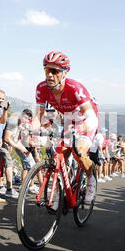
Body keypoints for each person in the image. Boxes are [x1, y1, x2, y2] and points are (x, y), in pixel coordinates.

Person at [33, 51, 99, 205]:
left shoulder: (74, 87)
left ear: (64, 73)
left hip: (86, 117)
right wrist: (33, 131)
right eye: (47, 70)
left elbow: (90, 115)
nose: (49, 75)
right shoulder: (41, 88)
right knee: (60, 154)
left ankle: (91, 180)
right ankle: (58, 190)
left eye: (54, 71)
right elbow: (39, 116)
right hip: (69, 118)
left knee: (79, 151)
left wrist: (82, 127)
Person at [0, 89, 18, 199]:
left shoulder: (1, 110)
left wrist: (2, 138)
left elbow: (2, 125)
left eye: (3, 99)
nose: (1, 101)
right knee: (1, 165)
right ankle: (7, 188)